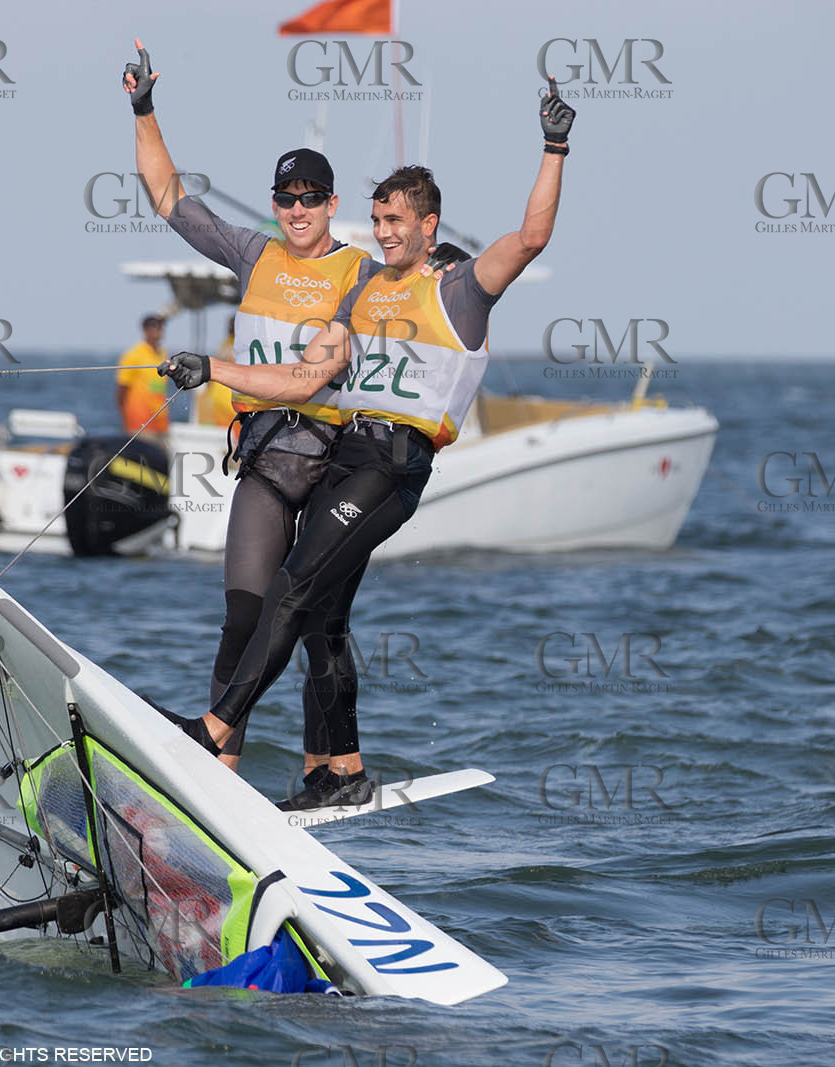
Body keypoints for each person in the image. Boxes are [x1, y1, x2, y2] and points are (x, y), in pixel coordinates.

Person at [159, 78, 576, 807]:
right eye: (378, 217)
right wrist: (215, 369)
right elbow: (302, 377)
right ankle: (340, 769)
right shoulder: (361, 292)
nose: (383, 231)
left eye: (396, 221)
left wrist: (554, 147)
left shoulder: (461, 289)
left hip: (395, 463)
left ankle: (217, 728)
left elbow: (532, 236)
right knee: (318, 611)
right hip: (348, 454)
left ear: (429, 225)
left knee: (292, 585)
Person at [124, 40, 377, 776]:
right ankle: (219, 776)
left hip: (337, 465)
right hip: (267, 459)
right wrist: (144, 109)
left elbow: (431, 280)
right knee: (244, 615)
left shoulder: (361, 272)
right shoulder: (252, 254)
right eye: (286, 199)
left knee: (322, 628)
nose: (298, 210)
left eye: (311, 199)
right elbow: (168, 195)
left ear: (333, 205)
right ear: (275, 206)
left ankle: (329, 774)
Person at [116, 313, 170, 436]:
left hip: (161, 422)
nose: (159, 332)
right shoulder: (133, 355)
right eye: (155, 328)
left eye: (160, 328)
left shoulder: (163, 354)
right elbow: (122, 390)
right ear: (145, 330)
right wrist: (126, 419)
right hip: (139, 422)